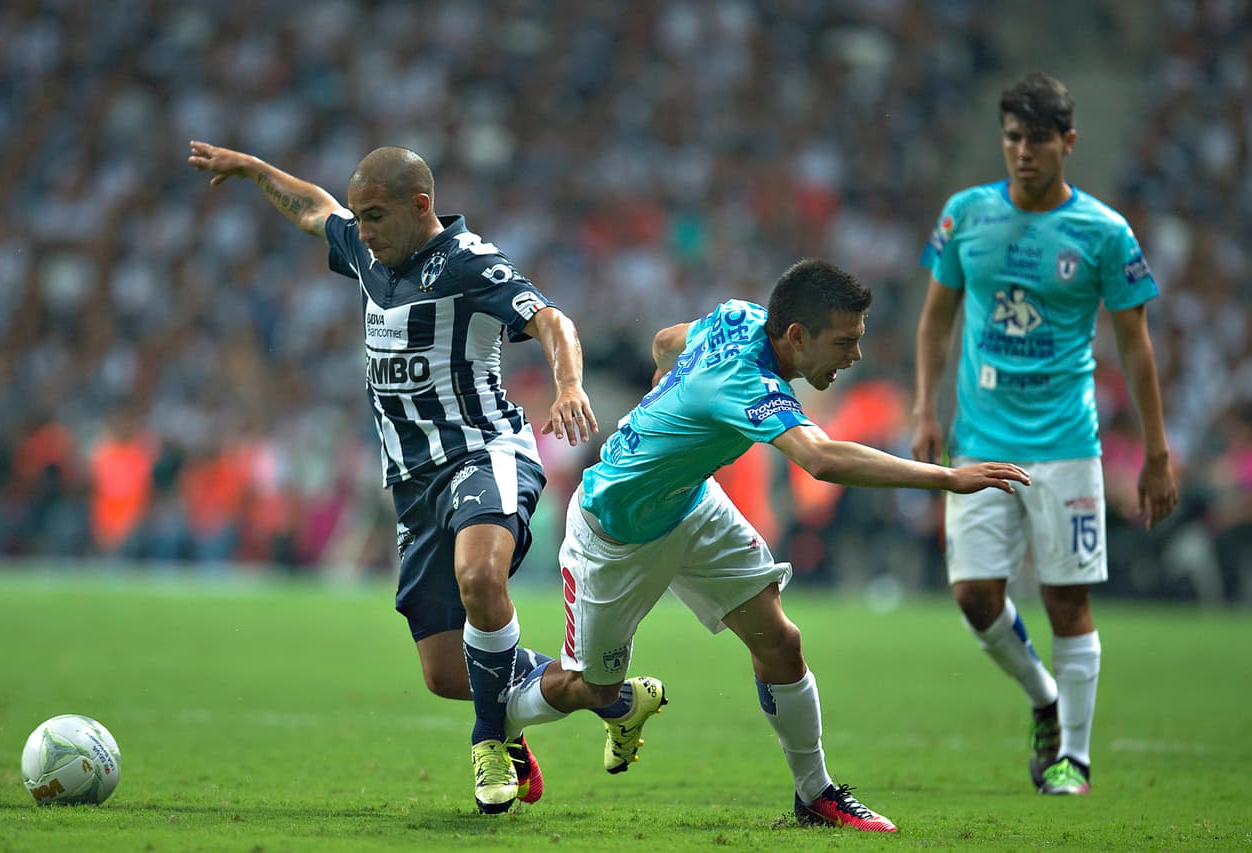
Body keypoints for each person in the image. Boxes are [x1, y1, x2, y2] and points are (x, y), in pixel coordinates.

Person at [502, 258, 1031, 833]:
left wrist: (668, 384)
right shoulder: (748, 382)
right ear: (797, 336)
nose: (854, 357)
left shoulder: (739, 316)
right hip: (613, 532)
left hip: (690, 503)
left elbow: (663, 341)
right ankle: (500, 719)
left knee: (781, 641)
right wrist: (948, 478)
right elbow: (822, 460)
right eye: (845, 343)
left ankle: (816, 795)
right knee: (593, 688)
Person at [187, 140, 608, 814]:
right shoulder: (365, 251)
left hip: (486, 451)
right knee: (446, 673)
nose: (364, 228)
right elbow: (312, 209)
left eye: (376, 215)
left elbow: (551, 318)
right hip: (413, 485)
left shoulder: (470, 263)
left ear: (422, 206)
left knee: (480, 576)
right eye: (360, 216)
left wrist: (569, 385)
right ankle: (586, 689)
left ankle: (491, 741)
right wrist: (255, 171)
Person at [911, 72, 1178, 796]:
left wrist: (1156, 451)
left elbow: (1137, 347)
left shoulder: (1102, 231)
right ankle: (1044, 695)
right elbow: (936, 317)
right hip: (980, 440)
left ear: (1068, 143)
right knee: (971, 592)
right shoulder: (965, 216)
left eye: (1035, 140)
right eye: (1011, 139)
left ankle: (1076, 760)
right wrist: (924, 409)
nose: (1022, 153)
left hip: (1066, 443)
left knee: (1066, 599)